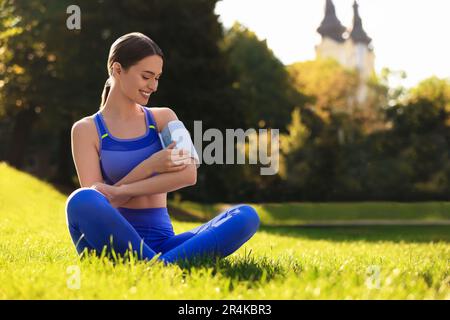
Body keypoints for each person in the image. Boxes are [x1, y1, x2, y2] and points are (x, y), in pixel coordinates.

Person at [65, 32, 260, 265]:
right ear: (117, 70)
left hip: (164, 243)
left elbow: (189, 174)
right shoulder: (86, 129)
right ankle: (165, 265)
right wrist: (149, 166)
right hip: (113, 244)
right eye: (146, 76)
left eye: (157, 78)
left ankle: (156, 266)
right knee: (80, 200)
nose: (153, 86)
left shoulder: (165, 118)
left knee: (245, 216)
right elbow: (102, 201)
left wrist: (121, 190)